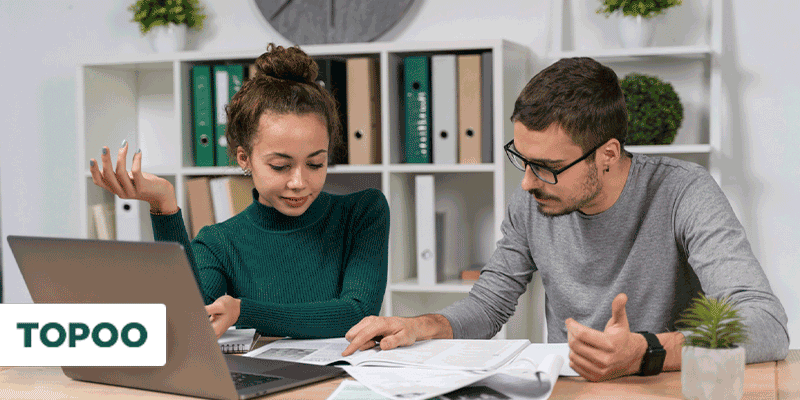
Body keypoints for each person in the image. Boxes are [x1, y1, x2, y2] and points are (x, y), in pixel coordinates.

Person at [342, 57, 789, 381]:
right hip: (569, 391)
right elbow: (488, 304)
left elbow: (766, 325)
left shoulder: (685, 192)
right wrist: (421, 326)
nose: (527, 184)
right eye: (522, 159)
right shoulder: (535, 201)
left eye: (547, 167)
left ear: (608, 154)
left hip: (662, 388)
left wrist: (645, 351)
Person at [90, 44, 389, 339]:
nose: (299, 181)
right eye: (280, 166)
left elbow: (357, 313)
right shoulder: (219, 243)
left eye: (315, 163)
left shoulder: (362, 212)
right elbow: (188, 318)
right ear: (244, 158)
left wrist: (243, 311)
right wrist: (163, 204)